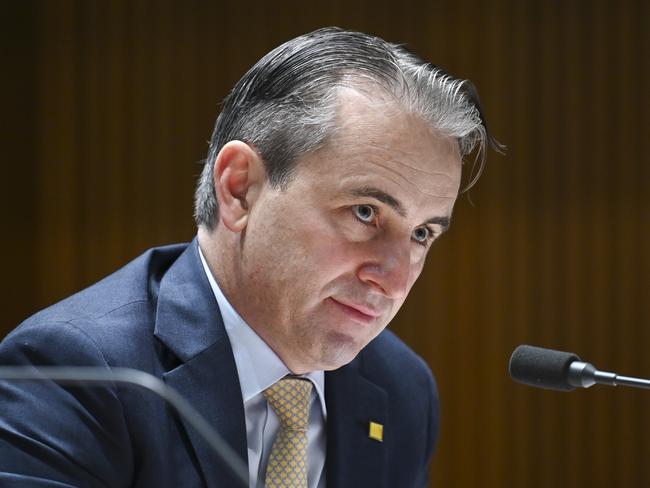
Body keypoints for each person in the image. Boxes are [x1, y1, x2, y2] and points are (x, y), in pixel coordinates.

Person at [0, 27, 498, 487]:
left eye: (422, 233)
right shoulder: (75, 372)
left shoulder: (400, 389)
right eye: (365, 212)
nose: (392, 278)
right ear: (240, 189)